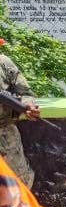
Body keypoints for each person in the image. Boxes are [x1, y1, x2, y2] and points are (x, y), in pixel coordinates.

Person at [0, 44, 38, 188]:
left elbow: (25, 93)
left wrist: (28, 106)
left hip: (5, 135)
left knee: (20, 184)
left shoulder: (4, 63)